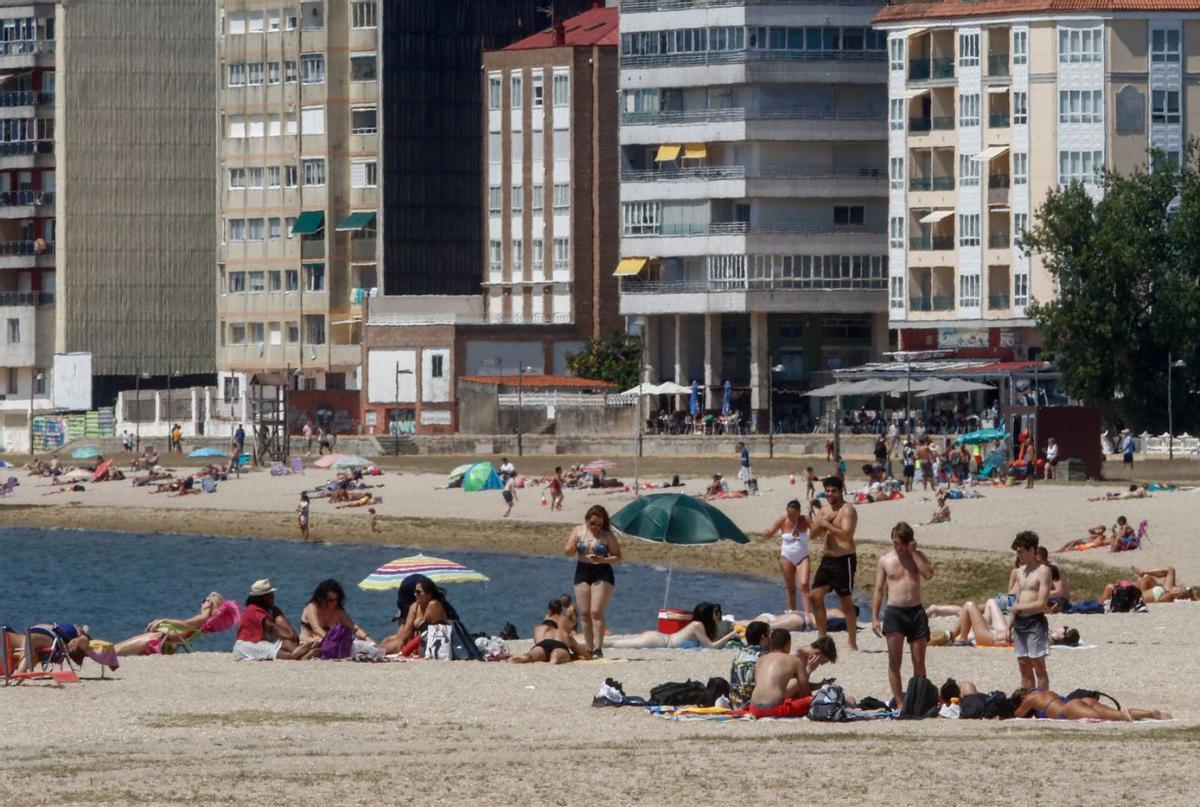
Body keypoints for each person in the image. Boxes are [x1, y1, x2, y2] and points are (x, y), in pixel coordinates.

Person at [871, 522, 934, 710]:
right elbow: (878, 589)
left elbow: (928, 575)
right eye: (894, 543)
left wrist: (913, 553)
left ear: (909, 542)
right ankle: (899, 702)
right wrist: (874, 616)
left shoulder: (918, 557)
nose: (897, 547)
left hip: (915, 612)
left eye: (900, 543)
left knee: (919, 660)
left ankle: (919, 700)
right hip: (895, 613)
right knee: (895, 660)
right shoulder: (885, 560)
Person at [808, 475, 859, 651]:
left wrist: (826, 524)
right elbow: (813, 534)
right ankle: (822, 638)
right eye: (827, 490)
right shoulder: (824, 510)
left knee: (845, 602)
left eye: (833, 491)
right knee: (814, 596)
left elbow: (846, 535)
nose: (830, 494)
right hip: (827, 560)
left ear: (840, 491)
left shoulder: (848, 510)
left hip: (843, 560)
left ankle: (852, 641)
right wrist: (822, 521)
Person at [564, 506, 621, 656]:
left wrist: (603, 559)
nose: (595, 527)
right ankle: (589, 647)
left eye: (599, 524)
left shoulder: (607, 535)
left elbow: (617, 556)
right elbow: (568, 552)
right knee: (584, 612)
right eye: (593, 523)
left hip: (602, 571)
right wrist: (573, 546)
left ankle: (598, 648)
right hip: (583, 570)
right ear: (587, 520)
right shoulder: (578, 531)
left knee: (595, 611)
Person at [114, 591, 228, 656]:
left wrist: (165, 621)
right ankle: (108, 652)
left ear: (211, 604)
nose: (202, 602)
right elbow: (186, 626)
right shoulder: (204, 619)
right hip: (166, 636)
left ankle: (108, 653)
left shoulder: (202, 617)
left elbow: (187, 624)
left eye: (205, 600)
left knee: (124, 646)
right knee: (128, 643)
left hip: (163, 637)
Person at [1007, 531, 1053, 690]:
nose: (1018, 555)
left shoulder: (1043, 571)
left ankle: (1042, 702)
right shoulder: (1019, 572)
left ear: (1032, 550)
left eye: (1021, 552)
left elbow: (1041, 603)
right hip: (1019, 622)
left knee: (1038, 664)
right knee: (1023, 664)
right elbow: (1012, 598)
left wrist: (1018, 607)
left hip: (1035, 622)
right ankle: (1027, 701)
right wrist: (1008, 624)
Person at [746, 629, 826, 719]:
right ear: (788, 645)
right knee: (812, 700)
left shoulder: (760, 660)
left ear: (771, 644)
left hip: (753, 709)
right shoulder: (794, 661)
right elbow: (806, 693)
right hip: (773, 710)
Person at [233, 579, 316, 660]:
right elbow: (275, 629)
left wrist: (276, 611)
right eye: (270, 595)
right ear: (263, 597)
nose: (273, 597)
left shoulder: (265, 610)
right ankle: (294, 656)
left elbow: (291, 637)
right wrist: (290, 635)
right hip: (246, 645)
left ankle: (302, 654)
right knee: (271, 651)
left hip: (258, 641)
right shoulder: (254, 611)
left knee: (284, 643)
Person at [606, 602, 738, 649]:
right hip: (659, 641)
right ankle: (591, 646)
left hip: (659, 638)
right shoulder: (697, 625)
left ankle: (591, 644)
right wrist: (731, 635)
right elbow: (711, 646)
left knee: (618, 641)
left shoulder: (696, 624)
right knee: (615, 644)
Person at [762, 499, 812, 618]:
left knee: (804, 584)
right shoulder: (782, 520)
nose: (792, 517)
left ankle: (808, 615)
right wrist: (767, 533)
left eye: (795, 515)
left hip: (803, 556)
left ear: (799, 512)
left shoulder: (805, 520)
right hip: (787, 556)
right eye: (790, 514)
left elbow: (817, 532)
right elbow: (769, 534)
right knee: (790, 588)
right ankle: (792, 614)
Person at [380, 579, 450, 655]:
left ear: (429, 594)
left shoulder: (434, 605)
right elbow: (408, 629)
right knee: (386, 642)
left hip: (429, 643)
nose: (415, 595)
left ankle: (376, 652)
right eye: (415, 592)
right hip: (416, 642)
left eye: (418, 592)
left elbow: (431, 631)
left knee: (391, 647)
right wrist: (402, 641)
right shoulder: (415, 606)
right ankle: (375, 651)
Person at [298, 579, 375, 647]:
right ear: (321, 599)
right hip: (309, 643)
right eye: (330, 600)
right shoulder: (312, 607)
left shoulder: (337, 611)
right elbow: (316, 628)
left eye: (336, 599)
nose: (334, 602)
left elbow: (354, 628)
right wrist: (334, 641)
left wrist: (368, 639)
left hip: (330, 645)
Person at [1011, 688, 1170, 721]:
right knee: (1109, 712)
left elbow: (1018, 714)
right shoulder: (1045, 692)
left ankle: (1126, 715)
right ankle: (1151, 714)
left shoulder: (1029, 699)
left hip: (1067, 709)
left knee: (1111, 716)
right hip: (1082, 701)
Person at [510, 600, 591, 664]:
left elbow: (538, 642)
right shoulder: (564, 634)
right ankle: (553, 660)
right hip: (560, 645)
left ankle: (524, 657)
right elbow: (583, 653)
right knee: (556, 656)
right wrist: (577, 655)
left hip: (544, 644)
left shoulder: (539, 629)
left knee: (530, 656)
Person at [729, 621, 770, 709]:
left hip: (735, 703)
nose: (770, 639)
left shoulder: (739, 654)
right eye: (769, 635)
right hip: (752, 705)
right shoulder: (764, 656)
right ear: (763, 637)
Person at [1105, 566, 1194, 604]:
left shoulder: (1170, 596)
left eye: (1182, 590)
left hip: (1142, 596)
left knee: (1109, 587)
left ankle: (1100, 604)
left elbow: (1161, 602)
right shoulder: (1170, 591)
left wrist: (1171, 594)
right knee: (1170, 570)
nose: (1181, 588)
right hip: (1163, 590)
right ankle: (1144, 572)